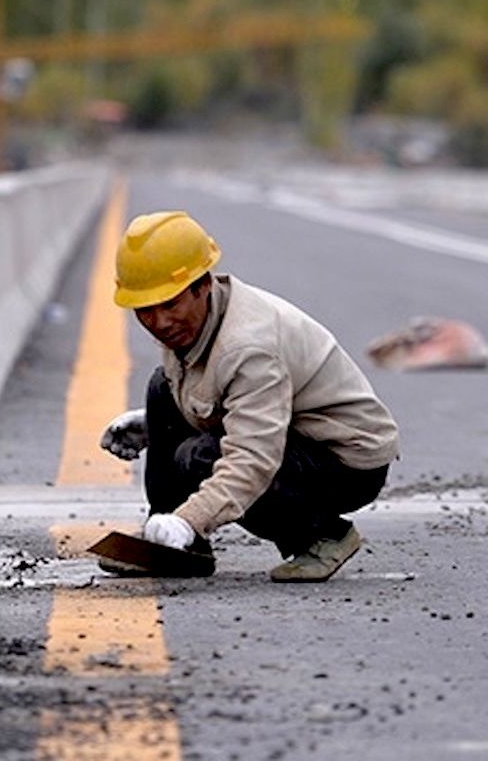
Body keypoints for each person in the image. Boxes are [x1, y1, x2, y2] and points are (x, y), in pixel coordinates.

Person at [99, 211, 399, 582]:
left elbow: (253, 457)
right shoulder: (201, 319)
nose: (159, 322)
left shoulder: (248, 347)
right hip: (289, 428)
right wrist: (161, 422)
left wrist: (191, 519)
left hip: (346, 462)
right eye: (144, 310)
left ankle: (322, 534)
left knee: (203, 456)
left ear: (202, 285)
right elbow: (219, 389)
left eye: (170, 304)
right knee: (161, 389)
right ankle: (173, 543)